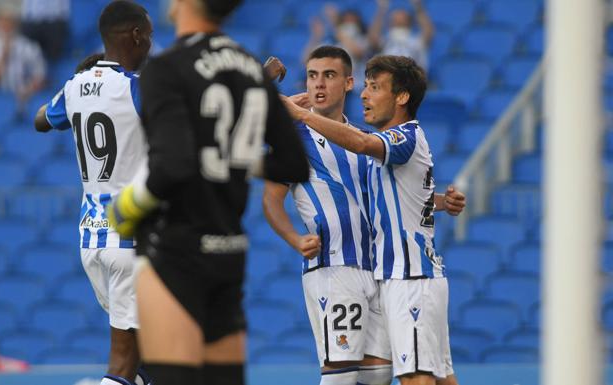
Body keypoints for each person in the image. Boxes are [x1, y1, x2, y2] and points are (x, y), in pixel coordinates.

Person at [106, 0, 310, 384]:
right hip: (228, 250)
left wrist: (128, 206)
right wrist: (235, 157)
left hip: (175, 251)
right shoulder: (249, 67)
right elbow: (293, 165)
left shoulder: (166, 68)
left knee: (168, 378)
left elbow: (172, 166)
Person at [266, 48, 464, 385]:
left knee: (381, 374)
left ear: (348, 83)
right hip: (335, 266)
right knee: (347, 375)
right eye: (312, 75)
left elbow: (384, 188)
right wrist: (294, 238)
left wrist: (438, 200)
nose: (319, 84)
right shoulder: (292, 137)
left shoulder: (368, 139)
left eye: (329, 75)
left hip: (381, 270)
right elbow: (270, 198)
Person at [33, 2, 153, 385]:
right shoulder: (136, 88)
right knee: (122, 364)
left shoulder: (74, 87)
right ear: (135, 35)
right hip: (131, 240)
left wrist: (85, 82)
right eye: (148, 35)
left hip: (91, 240)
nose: (150, 43)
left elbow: (40, 120)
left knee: (149, 360)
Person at [0, 5, 46, 117]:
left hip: (25, 98)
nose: (5, 26)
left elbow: (40, 76)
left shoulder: (28, 46)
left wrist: (27, 89)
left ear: (15, 24)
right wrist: (3, 55)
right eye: (2, 22)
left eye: (8, 22)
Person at [368, 0, 434, 71]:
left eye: (402, 15)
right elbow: (373, 39)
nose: (399, 17)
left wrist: (418, 6)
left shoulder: (415, 40)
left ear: (409, 20)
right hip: (389, 77)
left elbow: (428, 32)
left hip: (411, 78)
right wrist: (381, 9)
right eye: (396, 16)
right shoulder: (386, 40)